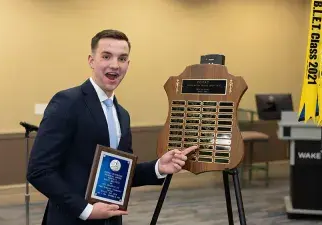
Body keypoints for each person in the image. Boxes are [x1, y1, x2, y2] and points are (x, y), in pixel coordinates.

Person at [26, 29, 197, 225]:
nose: (115, 65)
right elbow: (39, 171)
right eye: (106, 56)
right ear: (91, 60)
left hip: (111, 218)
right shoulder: (67, 102)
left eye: (122, 59)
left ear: (128, 64)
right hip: (71, 219)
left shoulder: (122, 115)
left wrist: (159, 167)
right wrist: (86, 210)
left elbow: (120, 172)